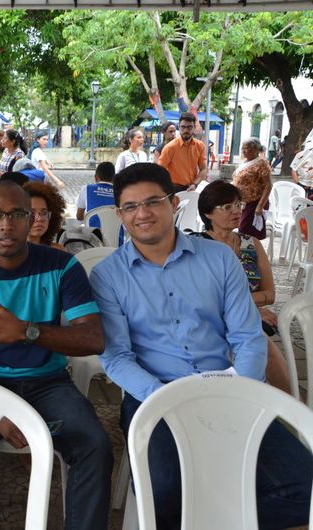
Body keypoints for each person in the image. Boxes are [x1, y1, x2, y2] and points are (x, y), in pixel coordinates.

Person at [89, 162, 312, 529]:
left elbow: (247, 336)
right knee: (165, 493)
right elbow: (116, 357)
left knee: (304, 487)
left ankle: (216, 515)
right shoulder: (108, 276)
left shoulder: (219, 259)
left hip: (228, 390)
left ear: (173, 204)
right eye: (130, 207)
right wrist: (166, 399)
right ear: (119, 214)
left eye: (153, 202)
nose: (142, 214)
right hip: (155, 397)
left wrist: (241, 389)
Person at [0, 180, 113, 530]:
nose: (7, 224)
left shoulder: (62, 267)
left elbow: (93, 339)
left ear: (31, 219)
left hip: (47, 384)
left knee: (95, 446)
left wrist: (27, 331)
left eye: (17, 214)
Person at [194, 180, 290, 393]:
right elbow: (198, 296)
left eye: (238, 205)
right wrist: (247, 306)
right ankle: (290, 406)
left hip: (247, 315)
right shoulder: (196, 245)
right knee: (259, 338)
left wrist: (245, 307)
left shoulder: (251, 244)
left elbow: (270, 294)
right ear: (208, 213)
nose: (236, 211)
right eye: (227, 207)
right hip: (209, 317)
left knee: (256, 333)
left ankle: (290, 406)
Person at [231, 137, 272, 240]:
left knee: (246, 233)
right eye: (243, 148)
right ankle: (242, 254)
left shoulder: (261, 163)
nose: (244, 151)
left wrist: (260, 206)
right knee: (241, 231)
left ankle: (248, 255)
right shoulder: (244, 163)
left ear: (256, 150)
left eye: (247, 148)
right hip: (241, 203)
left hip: (254, 203)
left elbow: (268, 185)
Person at [157, 112, 207, 192]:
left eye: (189, 127)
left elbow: (203, 169)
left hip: (192, 188)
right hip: (174, 189)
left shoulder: (200, 146)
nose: (186, 130)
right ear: (179, 127)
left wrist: (195, 184)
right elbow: (159, 170)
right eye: (183, 127)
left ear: (194, 128)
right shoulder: (170, 147)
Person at [22, 180, 66, 249]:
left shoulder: (58, 252)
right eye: (32, 213)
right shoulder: (7, 254)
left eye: (44, 213)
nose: (39, 219)